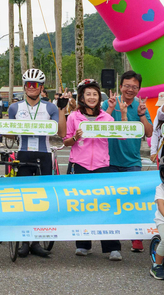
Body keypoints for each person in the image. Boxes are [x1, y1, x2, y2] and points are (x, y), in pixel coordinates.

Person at [8, 67, 64, 258]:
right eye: (29, 84)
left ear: (41, 88)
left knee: (42, 199)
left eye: (36, 85)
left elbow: (61, 133)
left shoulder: (50, 107)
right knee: (25, 199)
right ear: (24, 87)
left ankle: (37, 241)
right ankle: (24, 241)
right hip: (24, 154)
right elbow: (9, 133)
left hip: (44, 154)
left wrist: (63, 108)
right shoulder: (15, 107)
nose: (32, 87)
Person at [64, 78, 121, 259]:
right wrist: (76, 137)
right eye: (88, 94)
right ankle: (83, 244)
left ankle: (112, 247)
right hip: (78, 165)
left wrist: (124, 116)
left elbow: (122, 137)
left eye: (94, 94)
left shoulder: (107, 117)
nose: (91, 97)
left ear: (99, 97)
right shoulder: (74, 117)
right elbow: (66, 141)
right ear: (81, 97)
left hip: (101, 166)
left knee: (106, 206)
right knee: (81, 206)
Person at [100, 70, 153, 252]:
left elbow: (149, 132)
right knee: (111, 202)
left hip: (132, 162)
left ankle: (136, 237)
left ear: (139, 88)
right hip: (109, 160)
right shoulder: (109, 103)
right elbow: (98, 127)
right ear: (120, 86)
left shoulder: (141, 105)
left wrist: (141, 115)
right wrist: (109, 109)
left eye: (134, 87)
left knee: (133, 201)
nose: (130, 90)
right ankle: (113, 241)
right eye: (127, 86)